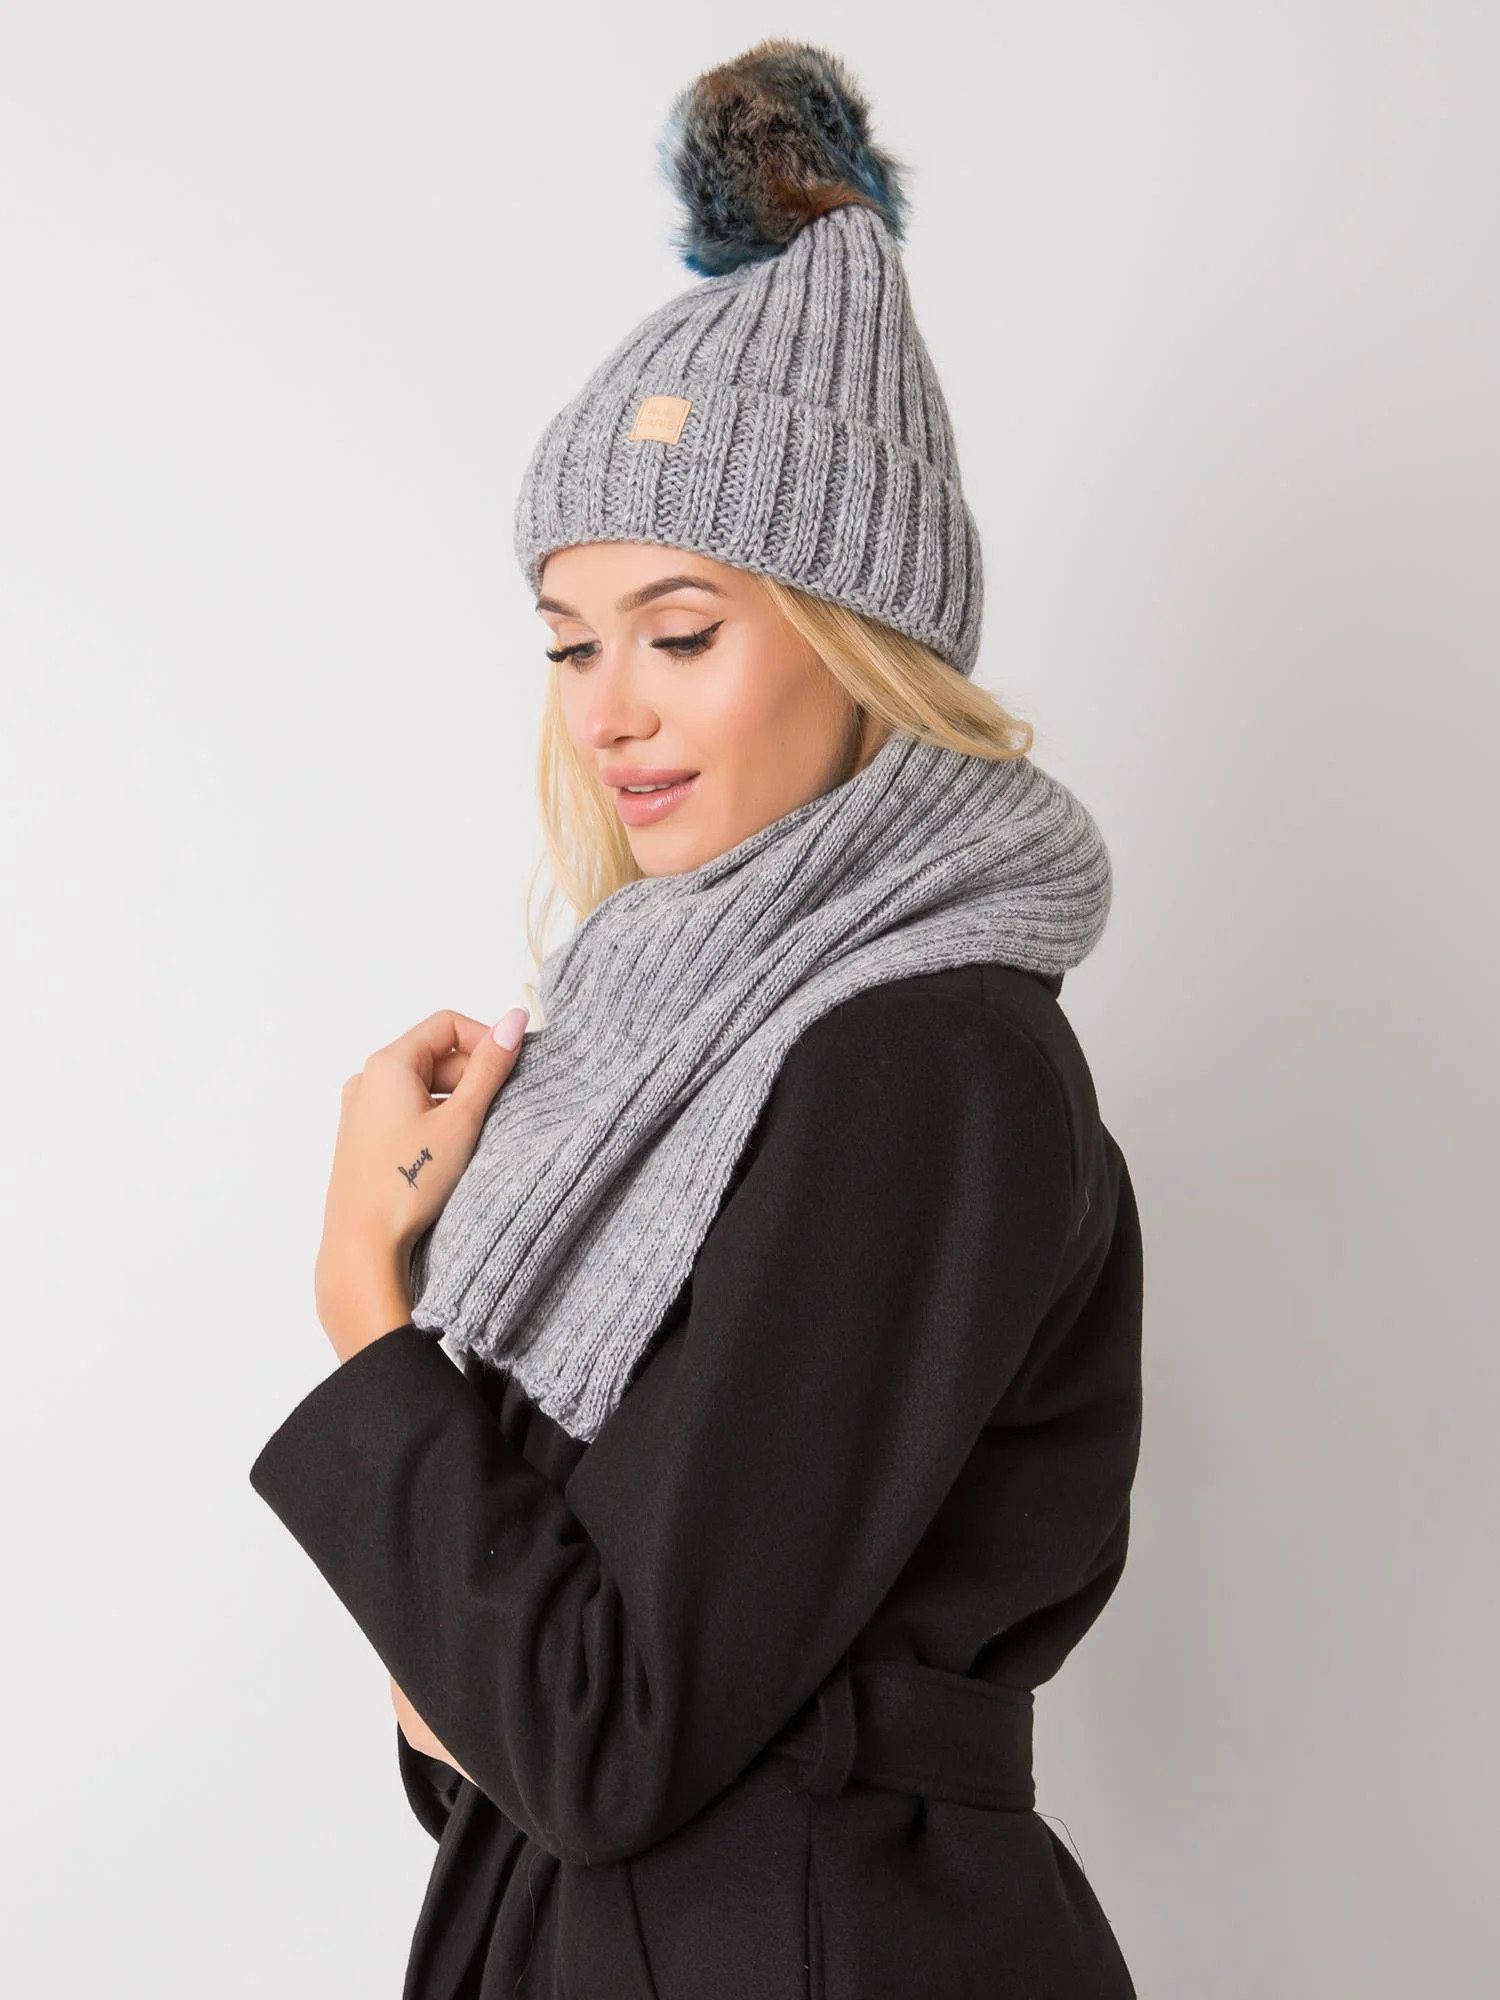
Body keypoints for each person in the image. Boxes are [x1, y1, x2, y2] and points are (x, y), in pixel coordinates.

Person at [249, 38, 1144, 2000]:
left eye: (679, 631)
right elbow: (520, 1725)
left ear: (856, 637)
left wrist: (365, 1296)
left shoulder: (924, 1063)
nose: (611, 711)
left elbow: (591, 1730)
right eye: (571, 645)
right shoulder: (665, 1055)